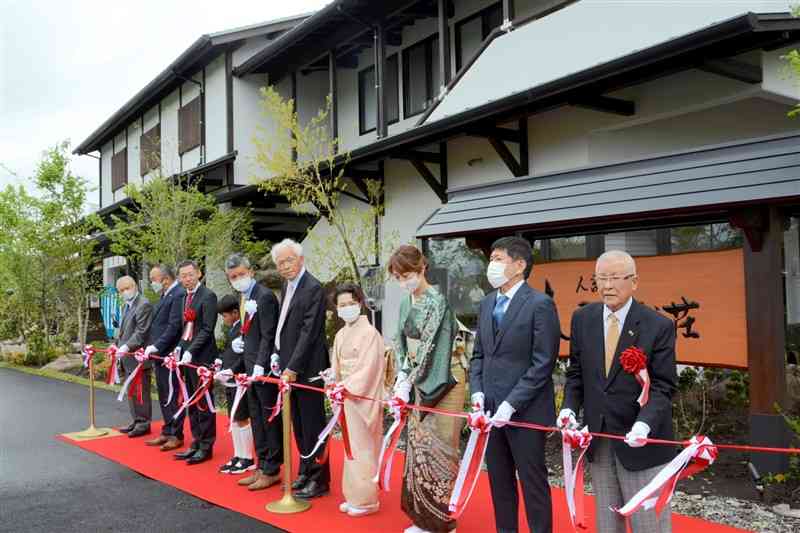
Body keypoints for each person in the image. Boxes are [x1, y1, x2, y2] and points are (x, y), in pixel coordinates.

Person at [560, 250, 677, 533]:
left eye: (615, 278)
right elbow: (576, 372)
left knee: (649, 524)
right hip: (600, 438)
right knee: (607, 522)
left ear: (634, 282)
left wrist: (644, 423)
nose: (607, 285)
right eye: (601, 278)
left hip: (642, 441)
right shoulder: (582, 319)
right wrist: (568, 408)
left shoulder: (657, 325)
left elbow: (663, 385)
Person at [469, 237, 560, 533]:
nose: (491, 266)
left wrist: (512, 403)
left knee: (533, 482)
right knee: (499, 481)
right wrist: (478, 392)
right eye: (491, 259)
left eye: (498, 259)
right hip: (491, 412)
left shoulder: (540, 304)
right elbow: (479, 355)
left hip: (526, 413)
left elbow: (543, 363)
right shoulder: (486, 304)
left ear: (519, 265)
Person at [389, 244, 464, 533]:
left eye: (407, 273)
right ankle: (422, 518)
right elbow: (400, 341)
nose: (403, 280)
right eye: (397, 276)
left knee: (441, 449)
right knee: (419, 446)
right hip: (419, 380)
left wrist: (408, 380)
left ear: (422, 268)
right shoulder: (407, 303)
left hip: (444, 379)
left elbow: (433, 346)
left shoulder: (438, 301)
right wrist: (402, 377)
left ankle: (441, 521)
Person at [269, 238, 331, 500]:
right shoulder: (288, 285)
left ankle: (320, 479)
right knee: (298, 424)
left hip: (308, 369)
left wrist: (293, 365)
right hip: (288, 367)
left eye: (289, 260)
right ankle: (305, 471)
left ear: (301, 259)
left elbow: (309, 332)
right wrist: (277, 354)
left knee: (313, 423)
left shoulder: (313, 287)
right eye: (280, 263)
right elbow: (286, 324)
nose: (284, 266)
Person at [223, 253, 282, 491]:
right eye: (233, 277)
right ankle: (261, 463)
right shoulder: (243, 298)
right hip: (248, 367)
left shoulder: (264, 296)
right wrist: (239, 346)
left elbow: (269, 333)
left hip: (263, 367)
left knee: (269, 419)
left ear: (251, 272)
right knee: (256, 418)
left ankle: (272, 468)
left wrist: (261, 363)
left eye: (240, 274)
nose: (238, 279)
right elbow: (249, 331)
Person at [330, 282, 385, 518]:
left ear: (360, 304)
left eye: (351, 304)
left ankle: (366, 500)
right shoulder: (341, 334)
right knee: (349, 447)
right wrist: (333, 381)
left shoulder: (370, 333)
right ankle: (353, 495)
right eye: (342, 305)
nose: (347, 308)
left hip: (361, 395)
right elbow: (336, 365)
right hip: (345, 394)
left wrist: (347, 386)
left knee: (363, 447)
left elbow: (370, 367)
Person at [173, 260, 219, 466]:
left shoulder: (208, 296)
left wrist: (191, 351)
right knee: (190, 400)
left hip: (202, 357)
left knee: (203, 402)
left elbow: (207, 329)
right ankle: (196, 441)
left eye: (190, 274)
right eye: (183, 276)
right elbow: (186, 328)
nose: (187, 279)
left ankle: (206, 446)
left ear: (199, 273)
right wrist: (179, 348)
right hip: (187, 358)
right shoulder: (184, 297)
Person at [143, 264, 187, 451]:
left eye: (154, 279)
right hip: (160, 355)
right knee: (163, 394)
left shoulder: (177, 294)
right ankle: (167, 429)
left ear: (166, 279)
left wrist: (157, 345)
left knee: (172, 394)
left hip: (169, 353)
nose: (152, 282)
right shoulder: (166, 294)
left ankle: (176, 434)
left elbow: (174, 325)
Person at [214, 294, 256, 475]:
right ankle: (238, 455)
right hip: (231, 379)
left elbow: (243, 356)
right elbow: (229, 352)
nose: (223, 319)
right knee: (234, 418)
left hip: (240, 379)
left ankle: (247, 457)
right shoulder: (233, 329)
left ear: (234, 313)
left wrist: (232, 370)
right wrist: (220, 362)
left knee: (242, 418)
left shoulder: (244, 329)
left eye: (224, 316)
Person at [115, 275, 154, 438]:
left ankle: (144, 423)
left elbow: (141, 331)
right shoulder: (126, 306)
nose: (125, 292)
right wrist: (117, 345)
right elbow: (124, 331)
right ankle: (137, 420)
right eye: (122, 290)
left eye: (128, 288)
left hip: (138, 357)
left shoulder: (143, 304)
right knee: (131, 391)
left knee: (141, 391)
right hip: (127, 357)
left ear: (135, 286)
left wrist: (126, 346)